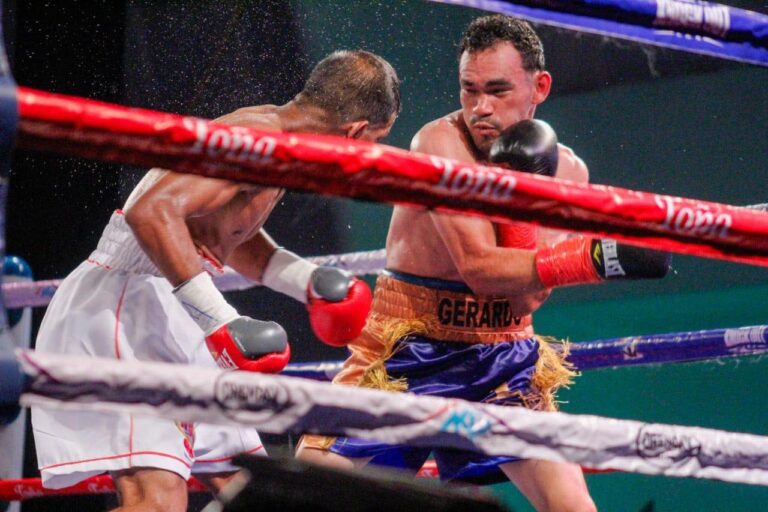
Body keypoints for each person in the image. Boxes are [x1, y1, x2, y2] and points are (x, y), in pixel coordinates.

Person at [297, 16, 668, 512]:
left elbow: (526, 296)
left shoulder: (569, 171)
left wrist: (528, 211)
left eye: (496, 90)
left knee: (573, 507)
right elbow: (480, 269)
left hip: (502, 355)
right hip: (408, 348)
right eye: (468, 90)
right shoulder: (439, 144)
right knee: (302, 491)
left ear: (539, 87)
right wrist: (598, 258)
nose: (480, 107)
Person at [31, 49, 400, 512]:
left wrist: (305, 281)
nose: (372, 154)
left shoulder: (281, 148)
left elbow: (226, 233)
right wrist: (219, 319)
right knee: (157, 500)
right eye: (377, 141)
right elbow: (151, 212)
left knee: (249, 491)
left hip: (170, 311)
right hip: (127, 305)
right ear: (356, 133)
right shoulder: (252, 138)